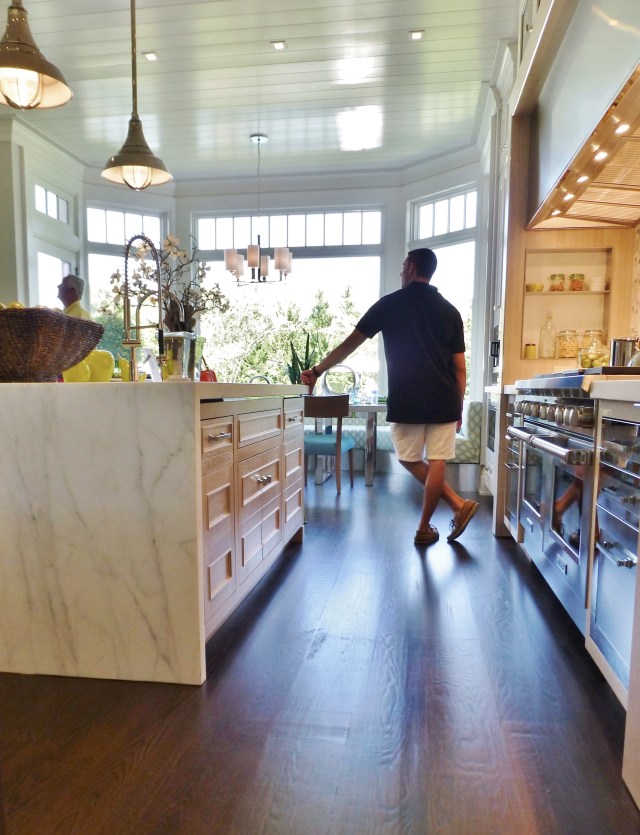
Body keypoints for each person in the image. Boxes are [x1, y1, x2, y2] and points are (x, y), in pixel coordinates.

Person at [301, 247, 478, 546]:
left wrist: (318, 370)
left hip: (408, 398)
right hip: (445, 399)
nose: (400, 271)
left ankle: (446, 515)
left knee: (409, 459)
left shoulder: (390, 304)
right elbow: (460, 368)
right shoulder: (450, 311)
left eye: (402, 266)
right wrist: (458, 405)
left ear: (410, 267)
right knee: (437, 461)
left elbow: (349, 345)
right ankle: (443, 515)